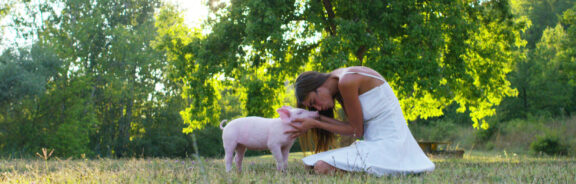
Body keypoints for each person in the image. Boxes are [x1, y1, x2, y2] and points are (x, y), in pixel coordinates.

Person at [286, 66, 435, 176]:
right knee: (310, 163)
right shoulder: (340, 83)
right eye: (313, 107)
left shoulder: (347, 81)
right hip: (375, 144)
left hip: (392, 146)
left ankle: (386, 170)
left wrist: (315, 122)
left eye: (314, 101)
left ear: (318, 86)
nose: (318, 108)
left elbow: (356, 131)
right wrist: (313, 118)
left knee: (321, 167)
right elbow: (353, 127)